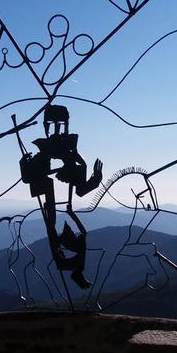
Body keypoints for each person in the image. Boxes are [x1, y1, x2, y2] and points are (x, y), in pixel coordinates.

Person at [17, 105, 103, 288]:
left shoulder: (73, 156)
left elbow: (80, 189)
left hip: (64, 209)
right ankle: (72, 269)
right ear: (46, 127)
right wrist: (24, 165)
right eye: (52, 125)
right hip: (51, 210)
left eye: (60, 125)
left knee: (79, 237)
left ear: (66, 126)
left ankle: (76, 270)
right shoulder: (45, 155)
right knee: (57, 237)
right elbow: (28, 179)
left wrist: (95, 179)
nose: (56, 129)